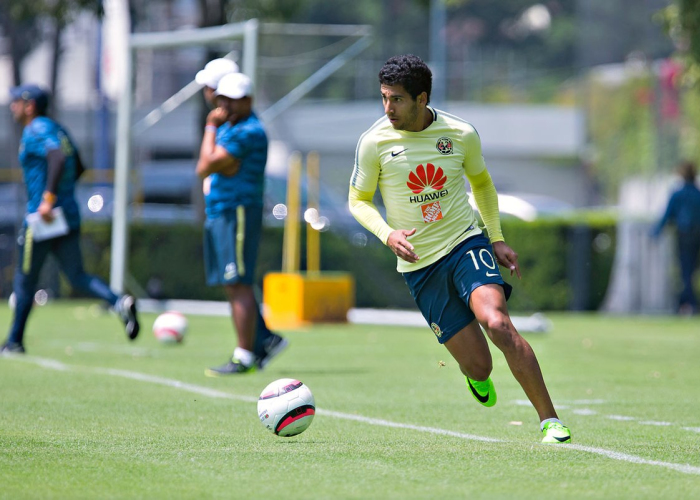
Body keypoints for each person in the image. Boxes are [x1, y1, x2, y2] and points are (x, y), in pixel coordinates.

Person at [348, 55, 571, 443]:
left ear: (422, 98)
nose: (388, 109)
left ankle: (550, 421)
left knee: (499, 323)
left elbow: (481, 185)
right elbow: (358, 200)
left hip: (465, 242)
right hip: (420, 266)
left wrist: (496, 237)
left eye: (397, 99)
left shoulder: (461, 133)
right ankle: (476, 378)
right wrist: (387, 234)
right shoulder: (374, 142)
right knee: (480, 366)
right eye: (384, 98)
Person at [1, 84, 139, 355]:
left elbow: (58, 157)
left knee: (25, 280)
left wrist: (49, 198)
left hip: (43, 217)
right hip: (67, 214)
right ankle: (119, 302)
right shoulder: (57, 128)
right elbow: (79, 165)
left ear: (30, 106)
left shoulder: (37, 129)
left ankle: (14, 341)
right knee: (77, 276)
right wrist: (62, 197)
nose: (12, 106)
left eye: (16, 102)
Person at [195, 71, 287, 375]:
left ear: (247, 101)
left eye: (233, 101)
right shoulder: (233, 127)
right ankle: (262, 342)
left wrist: (210, 127)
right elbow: (214, 164)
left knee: (238, 283)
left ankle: (245, 355)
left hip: (238, 212)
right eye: (223, 101)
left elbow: (204, 166)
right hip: (223, 210)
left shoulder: (246, 131)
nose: (226, 107)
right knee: (231, 282)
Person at [651, 160, 700, 314]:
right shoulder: (697, 194)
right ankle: (685, 301)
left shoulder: (678, 194)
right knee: (690, 269)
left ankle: (688, 302)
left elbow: (667, 215)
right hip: (696, 235)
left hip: (684, 235)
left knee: (685, 269)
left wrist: (655, 233)